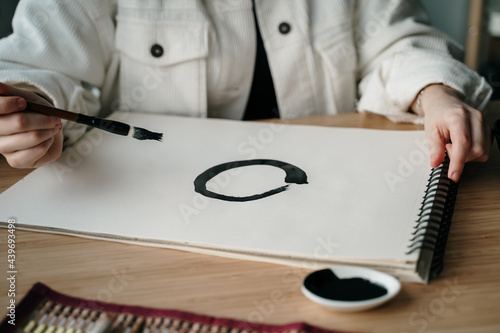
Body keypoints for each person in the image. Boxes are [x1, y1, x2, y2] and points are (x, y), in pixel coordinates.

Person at [0, 0, 493, 183]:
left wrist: (435, 92)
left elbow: (396, 43)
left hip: (331, 198)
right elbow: (39, 64)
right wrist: (24, 107)